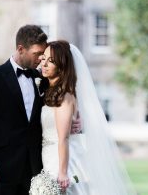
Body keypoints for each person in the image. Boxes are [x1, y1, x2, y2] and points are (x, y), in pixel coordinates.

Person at [0, 25, 81, 195]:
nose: (40, 60)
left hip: (36, 170)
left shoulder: (42, 78)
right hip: (1, 169)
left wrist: (74, 123)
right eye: (37, 54)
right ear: (21, 49)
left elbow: (60, 106)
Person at [31, 40, 136, 195]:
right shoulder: (48, 90)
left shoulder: (64, 96)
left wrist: (62, 171)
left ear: (62, 67)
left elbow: (63, 138)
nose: (44, 64)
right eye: (43, 58)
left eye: (51, 61)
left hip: (59, 161)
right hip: (47, 157)